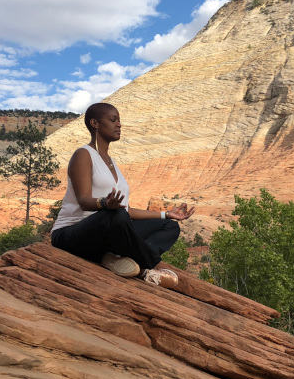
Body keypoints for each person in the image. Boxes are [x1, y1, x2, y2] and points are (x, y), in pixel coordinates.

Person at [50, 102, 195, 288]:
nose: (119, 124)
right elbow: (84, 201)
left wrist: (166, 214)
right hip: (71, 234)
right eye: (113, 120)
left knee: (169, 227)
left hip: (107, 229)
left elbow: (125, 209)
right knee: (116, 216)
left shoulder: (112, 163)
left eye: (119, 120)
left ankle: (111, 258)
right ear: (94, 123)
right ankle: (146, 269)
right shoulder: (83, 155)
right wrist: (105, 204)